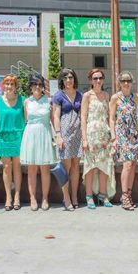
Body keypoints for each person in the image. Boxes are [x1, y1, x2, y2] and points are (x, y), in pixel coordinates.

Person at [20, 74, 58, 211]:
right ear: (30, 86)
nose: (37, 87)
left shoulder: (48, 101)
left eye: (40, 84)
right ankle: (32, 198)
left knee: (45, 168)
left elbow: (53, 120)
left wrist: (57, 136)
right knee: (32, 168)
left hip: (45, 134)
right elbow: (26, 119)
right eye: (35, 84)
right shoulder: (26, 102)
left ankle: (45, 198)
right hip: (31, 134)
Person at [81, 68, 115, 209]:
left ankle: (103, 195)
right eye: (95, 78)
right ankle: (89, 196)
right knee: (90, 167)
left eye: (100, 78)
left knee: (103, 166)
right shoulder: (87, 96)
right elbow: (83, 117)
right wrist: (84, 139)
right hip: (91, 134)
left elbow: (110, 117)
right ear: (90, 81)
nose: (98, 81)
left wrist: (112, 135)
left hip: (103, 134)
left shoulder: (107, 95)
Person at [109, 71, 138, 211]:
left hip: (133, 134)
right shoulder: (116, 98)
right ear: (119, 83)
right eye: (123, 81)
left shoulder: (135, 97)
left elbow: (135, 116)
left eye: (128, 81)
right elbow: (111, 118)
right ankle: (124, 195)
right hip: (122, 135)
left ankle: (129, 193)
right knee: (126, 164)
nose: (126, 83)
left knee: (133, 164)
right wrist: (114, 137)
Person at [52, 68, 82, 210]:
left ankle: (75, 196)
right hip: (64, 132)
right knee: (66, 166)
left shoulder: (79, 95)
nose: (68, 80)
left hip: (77, 133)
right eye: (65, 78)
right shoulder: (58, 95)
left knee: (76, 166)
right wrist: (58, 135)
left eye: (71, 77)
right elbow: (56, 116)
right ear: (62, 81)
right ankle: (66, 197)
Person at [0, 74, 25, 211]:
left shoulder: (22, 100)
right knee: (6, 167)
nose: (9, 86)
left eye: (11, 84)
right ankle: (8, 196)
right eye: (6, 84)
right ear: (3, 86)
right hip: (3, 137)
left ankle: (17, 196)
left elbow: (26, 119)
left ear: (15, 86)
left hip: (18, 136)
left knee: (17, 167)